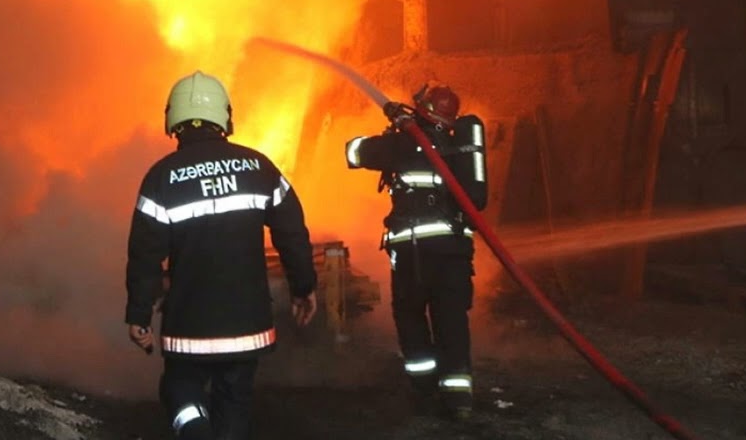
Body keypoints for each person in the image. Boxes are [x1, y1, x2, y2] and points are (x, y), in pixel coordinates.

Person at [125, 70, 319, 440]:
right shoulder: (258, 167)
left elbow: (144, 255)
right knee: (235, 399)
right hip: (248, 327)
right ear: (225, 117)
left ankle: (195, 429)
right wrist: (304, 287)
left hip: (189, 327)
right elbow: (292, 233)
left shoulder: (160, 178)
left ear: (173, 119)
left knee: (179, 388)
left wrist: (138, 314)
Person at [344, 83, 488, 420]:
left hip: (414, 253)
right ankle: (459, 398)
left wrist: (394, 125)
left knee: (409, 315)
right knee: (452, 320)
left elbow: (353, 152)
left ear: (420, 109)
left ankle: (424, 388)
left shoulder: (405, 142)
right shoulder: (460, 145)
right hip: (454, 253)